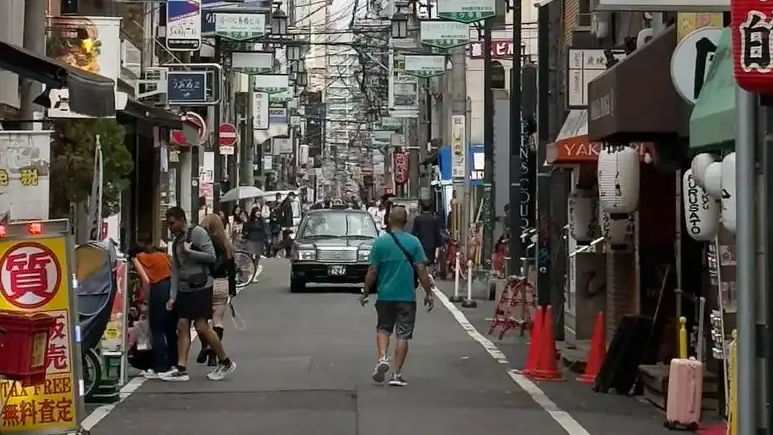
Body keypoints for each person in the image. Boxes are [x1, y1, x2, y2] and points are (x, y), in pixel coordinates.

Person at [360, 206, 434, 387]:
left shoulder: (380, 243)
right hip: (406, 297)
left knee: (383, 328)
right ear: (406, 222)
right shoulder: (414, 242)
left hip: (385, 296)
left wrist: (366, 291)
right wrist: (428, 293)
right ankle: (396, 374)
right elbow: (421, 269)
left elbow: (372, 270)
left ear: (389, 221)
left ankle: (382, 358)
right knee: (403, 335)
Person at [163, 206, 236, 381]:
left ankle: (226, 361)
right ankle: (181, 369)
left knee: (202, 326)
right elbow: (175, 270)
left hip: (201, 286)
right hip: (184, 288)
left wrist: (190, 252)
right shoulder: (177, 241)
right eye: (168, 224)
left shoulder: (197, 233)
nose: (170, 227)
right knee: (182, 325)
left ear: (182, 220)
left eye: (172, 223)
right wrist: (172, 296)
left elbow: (211, 256)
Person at [130, 241, 176, 378]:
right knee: (170, 329)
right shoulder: (163, 255)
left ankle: (160, 367)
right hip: (172, 288)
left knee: (157, 329)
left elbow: (146, 280)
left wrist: (146, 301)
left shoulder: (137, 258)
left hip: (158, 289)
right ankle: (173, 363)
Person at [197, 214, 237, 366]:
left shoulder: (203, 244)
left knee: (201, 320)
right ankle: (213, 355)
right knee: (217, 320)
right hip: (222, 283)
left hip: (206, 283)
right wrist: (232, 290)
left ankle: (205, 345)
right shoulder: (226, 245)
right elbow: (232, 270)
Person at [411, 201, 444, 275]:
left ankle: (422, 275)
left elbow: (414, 232)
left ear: (421, 208)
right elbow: (437, 233)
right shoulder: (434, 219)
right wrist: (439, 243)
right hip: (431, 244)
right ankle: (429, 275)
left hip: (420, 243)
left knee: (420, 261)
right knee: (430, 261)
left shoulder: (418, 219)